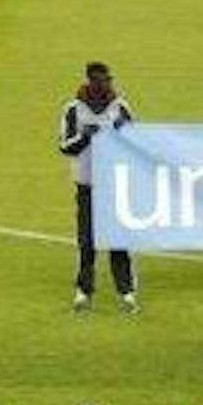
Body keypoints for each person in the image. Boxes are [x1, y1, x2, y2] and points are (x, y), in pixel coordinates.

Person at [57, 59, 139, 312]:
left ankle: (126, 293)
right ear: (90, 82)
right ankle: (83, 291)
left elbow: (137, 143)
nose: (105, 84)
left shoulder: (119, 107)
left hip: (115, 185)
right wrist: (85, 136)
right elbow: (64, 146)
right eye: (101, 80)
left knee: (118, 240)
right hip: (87, 185)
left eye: (108, 80)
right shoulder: (74, 109)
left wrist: (121, 133)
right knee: (87, 241)